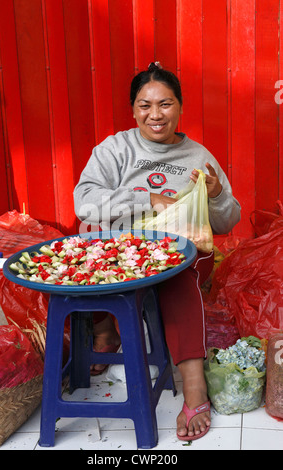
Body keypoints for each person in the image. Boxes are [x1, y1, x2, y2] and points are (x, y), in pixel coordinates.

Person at [73, 62, 241, 441]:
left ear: (180, 107)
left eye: (165, 104)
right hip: (127, 248)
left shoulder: (198, 156)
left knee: (177, 272)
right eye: (145, 105)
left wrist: (215, 196)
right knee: (86, 246)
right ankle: (104, 332)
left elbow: (229, 221)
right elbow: (83, 202)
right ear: (133, 110)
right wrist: (145, 197)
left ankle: (194, 387)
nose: (156, 114)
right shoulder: (115, 149)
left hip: (182, 252)